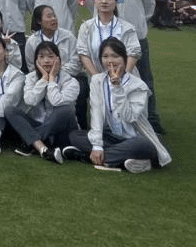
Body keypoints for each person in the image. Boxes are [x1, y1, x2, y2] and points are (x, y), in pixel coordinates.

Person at [82, 0, 164, 133]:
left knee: (143, 78)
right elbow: (90, 1)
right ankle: (111, 119)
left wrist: (138, 21)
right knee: (106, 77)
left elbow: (148, 0)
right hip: (105, 37)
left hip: (133, 34)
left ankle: (150, 119)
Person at [66, 37, 171, 173]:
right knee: (75, 136)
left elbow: (129, 117)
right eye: (105, 56)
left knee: (143, 144)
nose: (110, 61)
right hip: (110, 136)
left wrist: (117, 88)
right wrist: (97, 146)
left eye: (115, 56)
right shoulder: (97, 81)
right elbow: (96, 115)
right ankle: (124, 161)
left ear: (124, 59)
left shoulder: (138, 86)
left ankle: (88, 157)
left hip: (133, 137)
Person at [5, 40, 78, 163]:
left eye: (51, 57)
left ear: (58, 59)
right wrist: (44, 79)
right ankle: (39, 144)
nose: (46, 61)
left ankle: (30, 141)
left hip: (60, 131)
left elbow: (56, 102)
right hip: (38, 123)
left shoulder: (70, 81)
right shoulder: (30, 78)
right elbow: (30, 101)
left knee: (66, 109)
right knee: (10, 110)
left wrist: (52, 79)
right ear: (36, 60)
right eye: (42, 57)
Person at [24, 5, 78, 79]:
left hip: (67, 78)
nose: (53, 19)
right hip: (41, 79)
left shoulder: (68, 37)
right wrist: (45, 75)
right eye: (49, 16)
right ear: (39, 21)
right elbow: (32, 66)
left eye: (54, 16)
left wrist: (56, 73)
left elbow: (75, 63)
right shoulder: (32, 41)